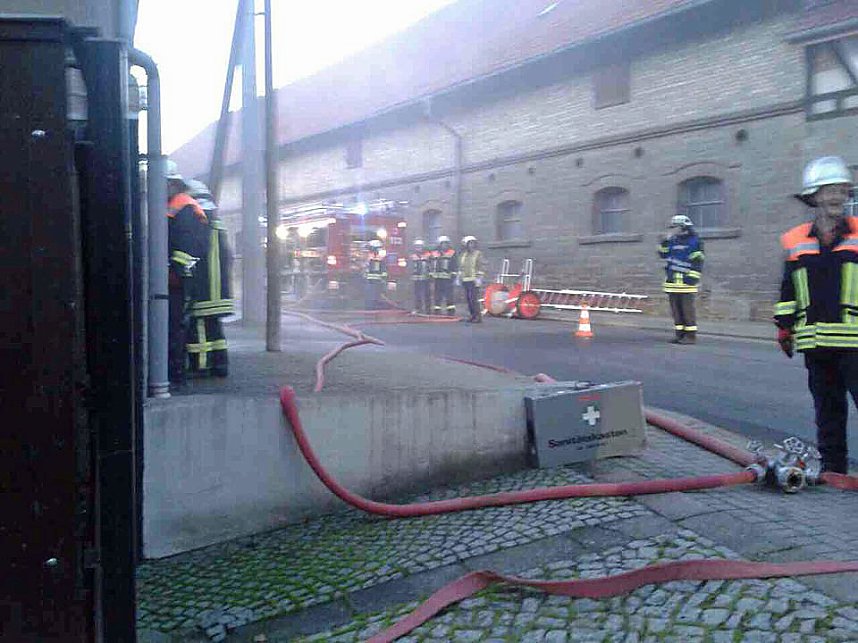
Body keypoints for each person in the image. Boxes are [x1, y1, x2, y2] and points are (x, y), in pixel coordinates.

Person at [775, 156, 857, 474]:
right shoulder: (795, 240)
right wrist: (784, 327)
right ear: (814, 197)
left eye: (841, 190)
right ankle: (834, 469)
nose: (836, 196)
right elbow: (788, 289)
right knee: (827, 408)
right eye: (828, 190)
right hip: (815, 342)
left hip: (855, 342)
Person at [165, 161, 210, 387]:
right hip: (173, 279)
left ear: (173, 184)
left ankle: (175, 375)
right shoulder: (174, 205)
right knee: (171, 327)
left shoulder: (185, 208)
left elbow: (188, 248)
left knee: (174, 327)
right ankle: (171, 372)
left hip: (178, 281)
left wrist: (175, 273)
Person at [185, 179, 234, 377]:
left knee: (200, 329)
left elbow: (196, 252)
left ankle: (201, 365)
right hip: (219, 289)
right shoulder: (217, 223)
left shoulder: (200, 221)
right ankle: (221, 364)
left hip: (204, 288)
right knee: (216, 330)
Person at [658, 214, 704, 344]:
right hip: (672, 282)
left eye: (675, 227)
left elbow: (698, 261)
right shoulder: (673, 240)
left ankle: (690, 336)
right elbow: (663, 254)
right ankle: (679, 335)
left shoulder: (695, 241)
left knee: (687, 311)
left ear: (684, 227)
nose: (673, 229)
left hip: (686, 282)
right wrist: (664, 242)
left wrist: (692, 277)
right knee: (676, 312)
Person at [458, 235, 486, 323]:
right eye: (469, 243)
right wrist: (459, 278)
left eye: (473, 243)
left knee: (474, 299)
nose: (471, 245)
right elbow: (461, 267)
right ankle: (472, 315)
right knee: (468, 299)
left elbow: (481, 266)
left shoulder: (478, 254)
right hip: (465, 280)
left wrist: (479, 279)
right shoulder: (463, 255)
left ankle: (478, 316)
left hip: (474, 280)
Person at [432, 235, 458, 316]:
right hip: (437, 278)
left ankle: (451, 310)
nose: (444, 246)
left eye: (446, 244)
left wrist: (454, 275)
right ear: (439, 244)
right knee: (437, 295)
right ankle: (437, 310)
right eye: (442, 244)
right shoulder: (435, 253)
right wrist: (431, 275)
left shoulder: (452, 253)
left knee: (449, 295)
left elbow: (455, 265)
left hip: (448, 278)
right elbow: (431, 264)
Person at [409, 239, 431, 315]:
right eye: (417, 247)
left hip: (426, 278)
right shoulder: (413, 256)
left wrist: (430, 275)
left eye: (420, 247)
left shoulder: (428, 255)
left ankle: (428, 310)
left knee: (427, 294)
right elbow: (410, 267)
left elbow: (431, 266)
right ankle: (418, 308)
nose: (418, 248)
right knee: (417, 295)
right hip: (416, 278)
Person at [364, 239, 387, 310]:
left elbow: (382, 268)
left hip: (375, 279)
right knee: (371, 293)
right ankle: (371, 305)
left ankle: (373, 305)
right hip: (372, 279)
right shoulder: (372, 256)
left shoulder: (377, 256)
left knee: (374, 293)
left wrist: (383, 278)